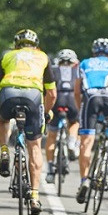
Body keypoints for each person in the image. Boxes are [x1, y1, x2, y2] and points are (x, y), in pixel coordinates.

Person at [0, 29, 56, 215]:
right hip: (33, 96)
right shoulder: (43, 57)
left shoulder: (7, 56)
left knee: (1, 119)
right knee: (34, 146)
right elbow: (52, 93)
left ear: (17, 44)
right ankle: (34, 196)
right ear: (35, 45)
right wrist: (47, 111)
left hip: (8, 93)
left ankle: (4, 151)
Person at [74, 38, 108, 203]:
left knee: (87, 141)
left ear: (94, 52)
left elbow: (76, 92)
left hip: (90, 99)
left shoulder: (84, 64)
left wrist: (80, 110)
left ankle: (84, 180)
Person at [46, 48, 81, 183]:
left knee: (52, 136)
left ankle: (50, 170)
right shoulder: (77, 70)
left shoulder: (53, 69)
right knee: (74, 122)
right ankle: (72, 141)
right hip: (71, 98)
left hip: (57, 99)